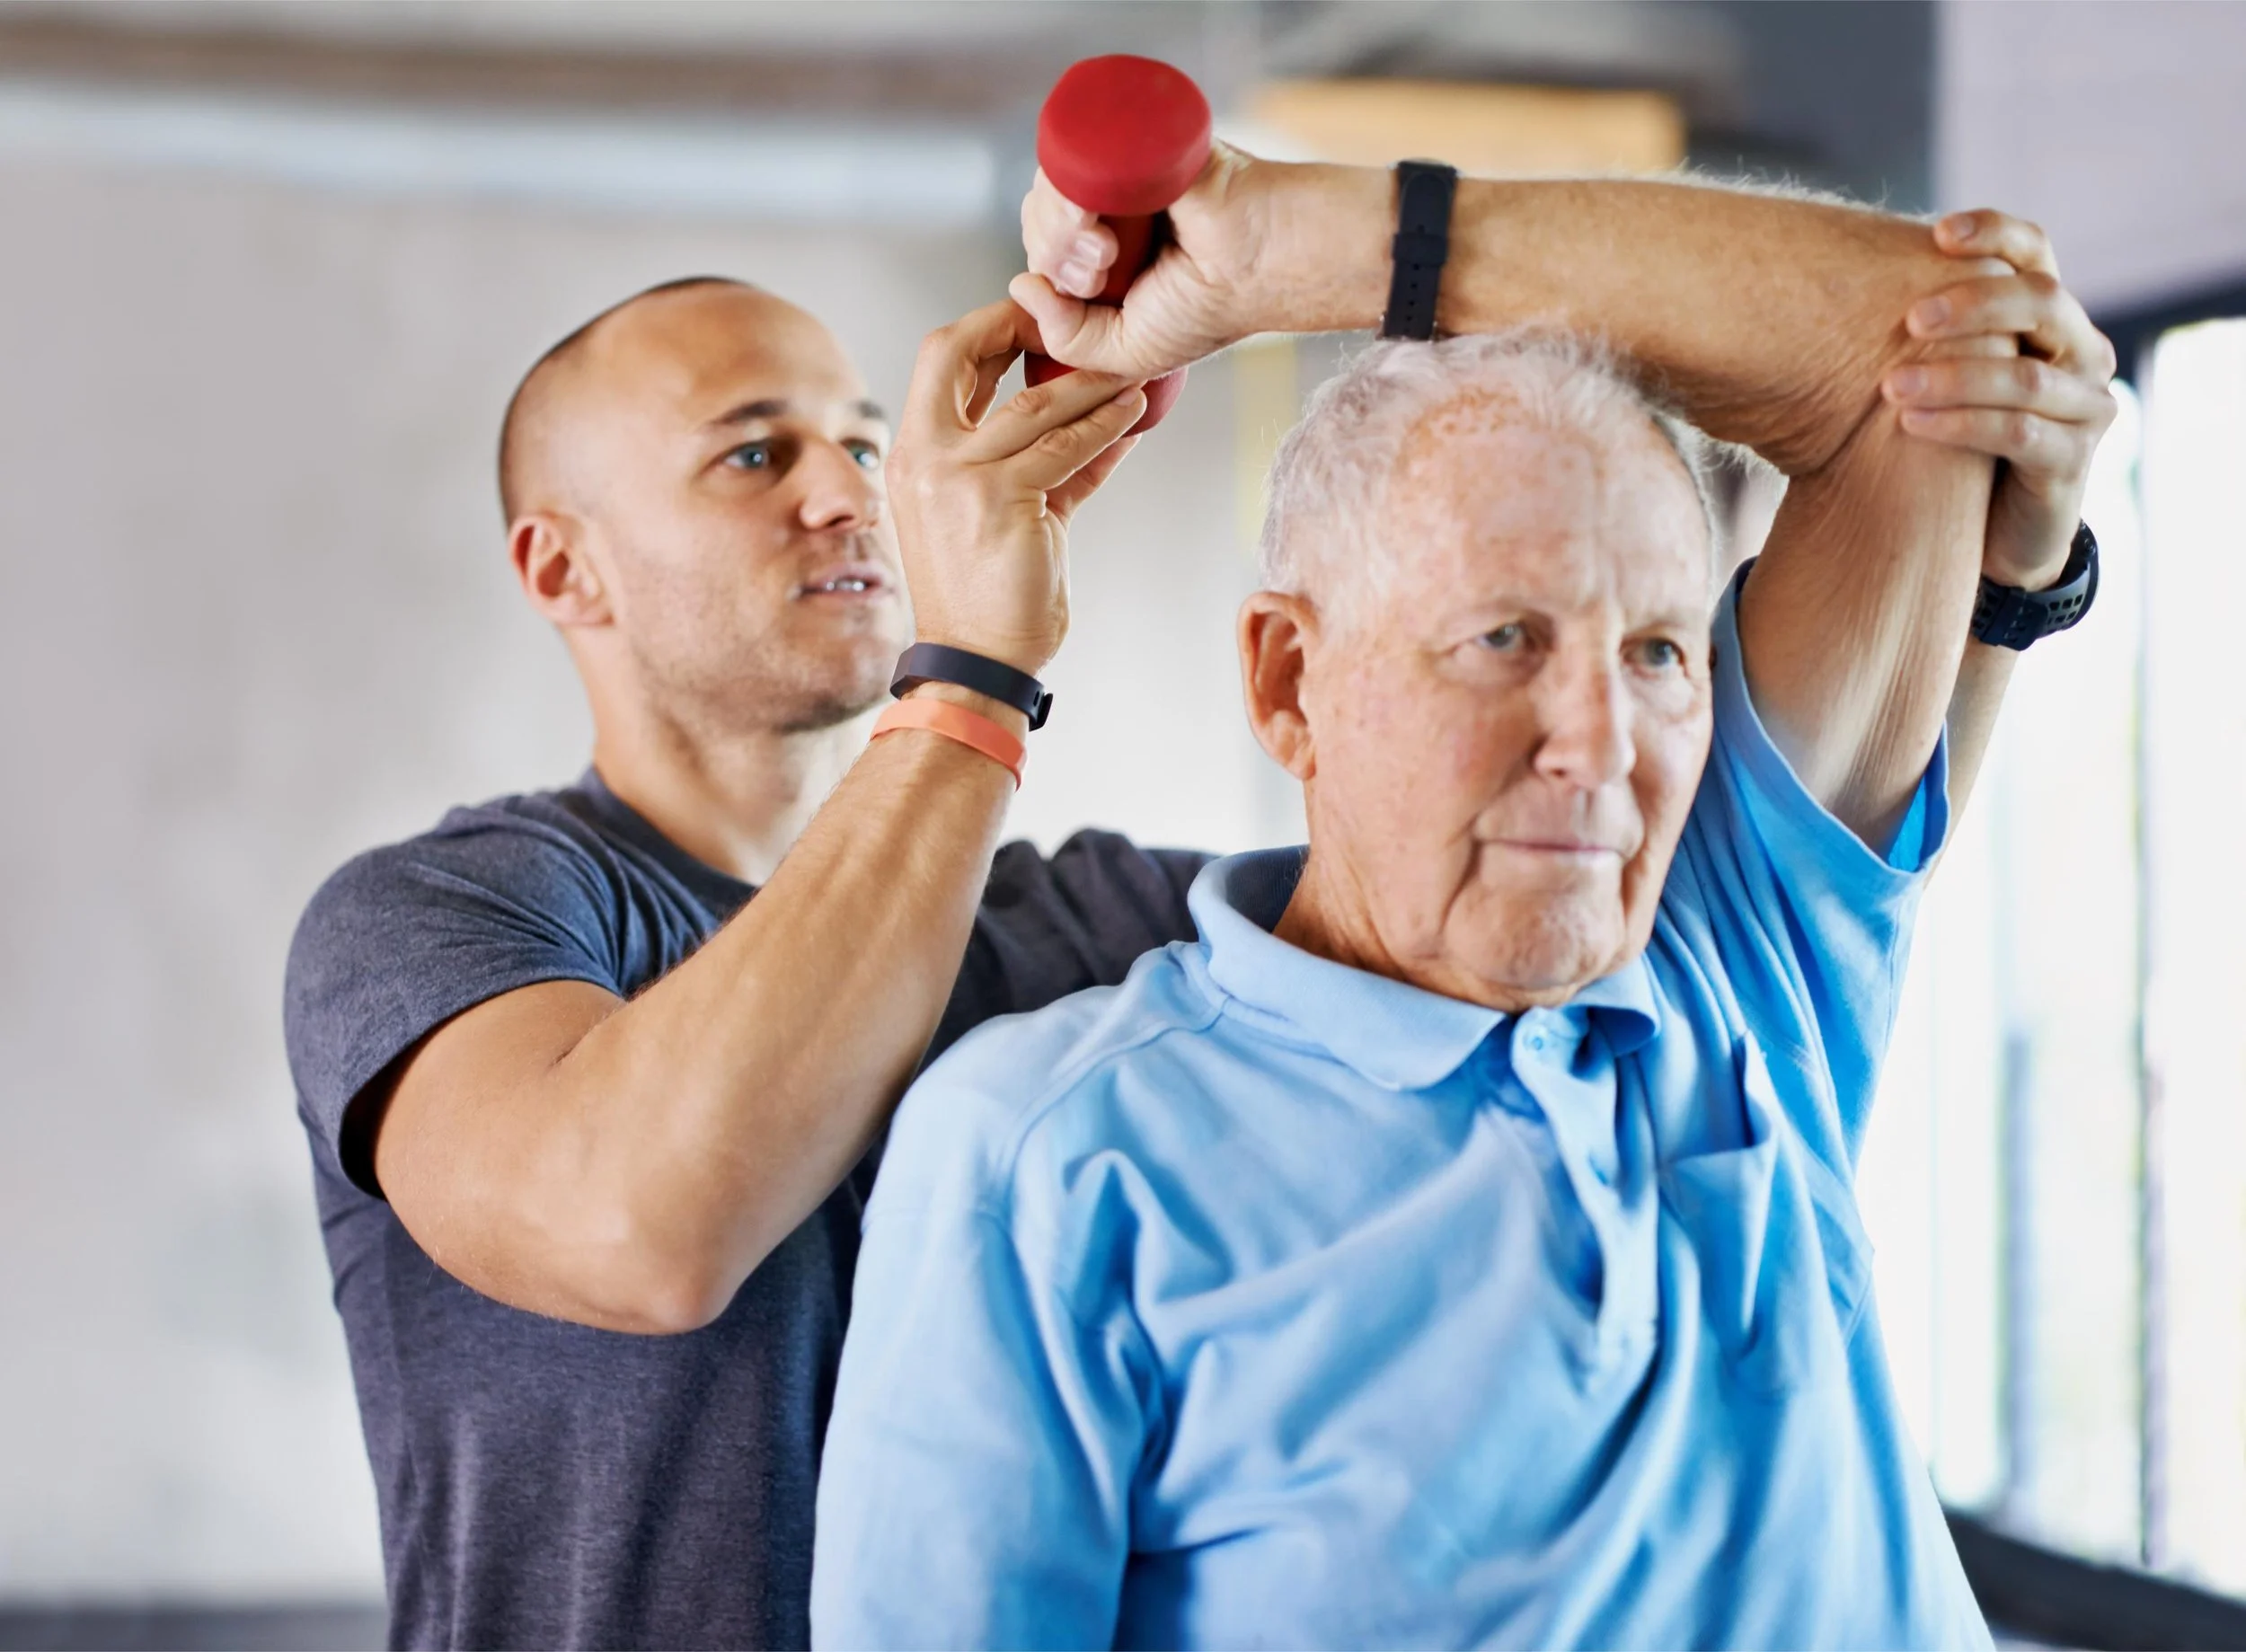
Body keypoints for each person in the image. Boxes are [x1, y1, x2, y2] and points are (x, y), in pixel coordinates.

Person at [284, 137, 2109, 1648]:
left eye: (858, 441)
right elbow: (644, 1226)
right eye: (754, 452)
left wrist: (1285, 256)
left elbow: (1927, 350)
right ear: (561, 566)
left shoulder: (1098, 945)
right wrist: (974, 668)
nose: (844, 495)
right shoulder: (449, 920)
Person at [810, 206, 2115, 1642]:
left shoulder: (1732, 959)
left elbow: (1924, 328)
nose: (1602, 742)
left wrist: (1286, 244)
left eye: (1659, 651)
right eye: (1508, 639)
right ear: (1290, 682)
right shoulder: (1052, 1153)